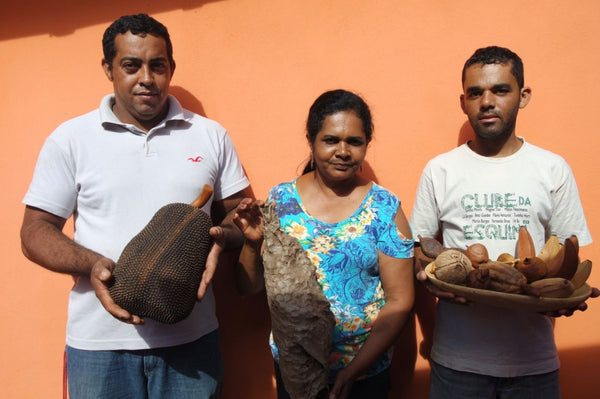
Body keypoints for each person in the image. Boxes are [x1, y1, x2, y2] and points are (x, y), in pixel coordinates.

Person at [19, 14, 250, 399]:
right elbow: (34, 232)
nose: (146, 78)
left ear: (171, 68)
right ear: (108, 68)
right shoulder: (71, 139)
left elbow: (243, 215)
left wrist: (222, 237)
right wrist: (93, 264)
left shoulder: (210, 135)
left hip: (190, 340)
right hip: (98, 346)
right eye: (131, 65)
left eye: (157, 66)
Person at [411, 45, 597, 399]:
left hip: (533, 365)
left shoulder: (552, 168)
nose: (486, 101)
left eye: (500, 89)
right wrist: (428, 276)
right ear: (463, 101)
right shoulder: (441, 169)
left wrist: (567, 291)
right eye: (475, 92)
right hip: (457, 365)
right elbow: (421, 247)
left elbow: (567, 250)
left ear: (523, 96)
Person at [233, 89, 415, 399]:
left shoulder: (384, 208)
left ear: (366, 144)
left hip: (365, 377)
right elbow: (247, 288)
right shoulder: (281, 202)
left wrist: (352, 371)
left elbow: (400, 301)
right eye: (331, 140)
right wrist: (252, 245)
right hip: (296, 371)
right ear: (311, 140)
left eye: (354, 142)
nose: (343, 151)